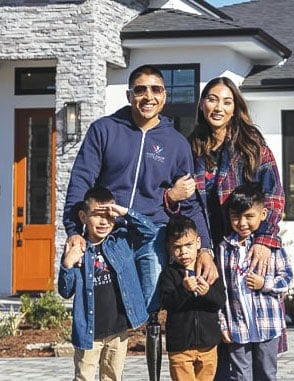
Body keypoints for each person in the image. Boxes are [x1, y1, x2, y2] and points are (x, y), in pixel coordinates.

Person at [62, 64, 217, 380]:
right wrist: (74, 231)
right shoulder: (105, 130)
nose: (148, 96)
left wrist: (206, 248)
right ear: (129, 94)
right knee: (113, 313)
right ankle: (95, 368)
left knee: (150, 310)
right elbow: (80, 181)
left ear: (165, 96)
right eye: (141, 89)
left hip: (152, 234)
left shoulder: (175, 143)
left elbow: (190, 202)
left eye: (156, 90)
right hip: (109, 237)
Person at [167, 76, 285, 379]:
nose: (218, 107)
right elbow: (185, 201)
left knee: (255, 341)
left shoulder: (251, 144)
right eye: (212, 99)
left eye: (227, 101)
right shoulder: (191, 146)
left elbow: (274, 196)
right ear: (202, 104)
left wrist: (264, 239)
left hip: (247, 248)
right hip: (209, 250)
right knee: (215, 336)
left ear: (235, 108)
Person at [58, 186, 156, 381]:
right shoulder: (79, 248)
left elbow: (151, 232)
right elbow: (65, 291)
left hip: (118, 329)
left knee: (112, 377)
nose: (104, 221)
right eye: (97, 215)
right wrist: (67, 264)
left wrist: (124, 212)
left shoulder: (121, 240)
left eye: (109, 215)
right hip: (89, 331)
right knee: (83, 377)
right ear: (83, 217)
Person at [217, 182, 293, 381]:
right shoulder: (224, 248)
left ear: (263, 214)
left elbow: (286, 278)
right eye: (236, 217)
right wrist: (223, 323)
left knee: (267, 374)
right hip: (237, 326)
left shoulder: (271, 247)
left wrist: (264, 284)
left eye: (249, 216)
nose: (242, 223)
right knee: (241, 376)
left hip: (268, 325)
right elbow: (221, 290)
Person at [159, 215, 225, 381]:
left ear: (198, 243)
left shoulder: (209, 269)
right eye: (177, 247)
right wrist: (184, 289)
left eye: (188, 245)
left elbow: (220, 301)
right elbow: (167, 303)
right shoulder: (170, 273)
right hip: (180, 347)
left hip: (208, 345)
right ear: (169, 248)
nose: (183, 252)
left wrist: (207, 292)